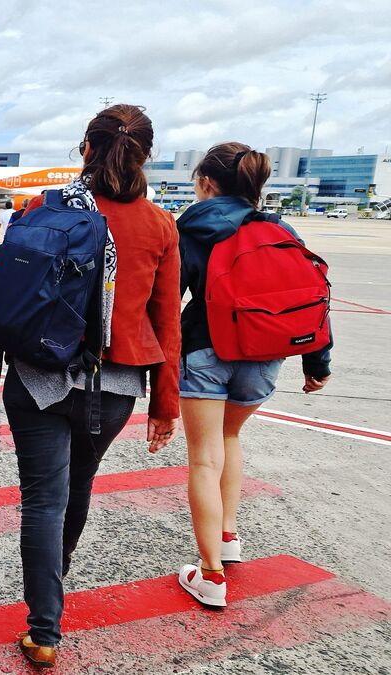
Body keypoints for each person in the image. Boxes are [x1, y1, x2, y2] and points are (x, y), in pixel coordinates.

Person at [0, 104, 182, 668]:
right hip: (115, 384)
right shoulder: (159, 225)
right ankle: (49, 600)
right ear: (146, 156)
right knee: (77, 487)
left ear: (85, 148)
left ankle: (44, 628)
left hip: (38, 375)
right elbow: (167, 323)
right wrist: (166, 403)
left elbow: (2, 292)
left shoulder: (44, 208)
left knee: (42, 499)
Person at [175, 143, 332, 607]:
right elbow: (308, 294)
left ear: (205, 182)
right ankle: (228, 538)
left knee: (204, 458)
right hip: (265, 355)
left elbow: (167, 299)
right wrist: (317, 363)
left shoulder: (193, 227)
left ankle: (210, 576)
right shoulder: (281, 229)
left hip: (206, 350)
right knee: (230, 440)